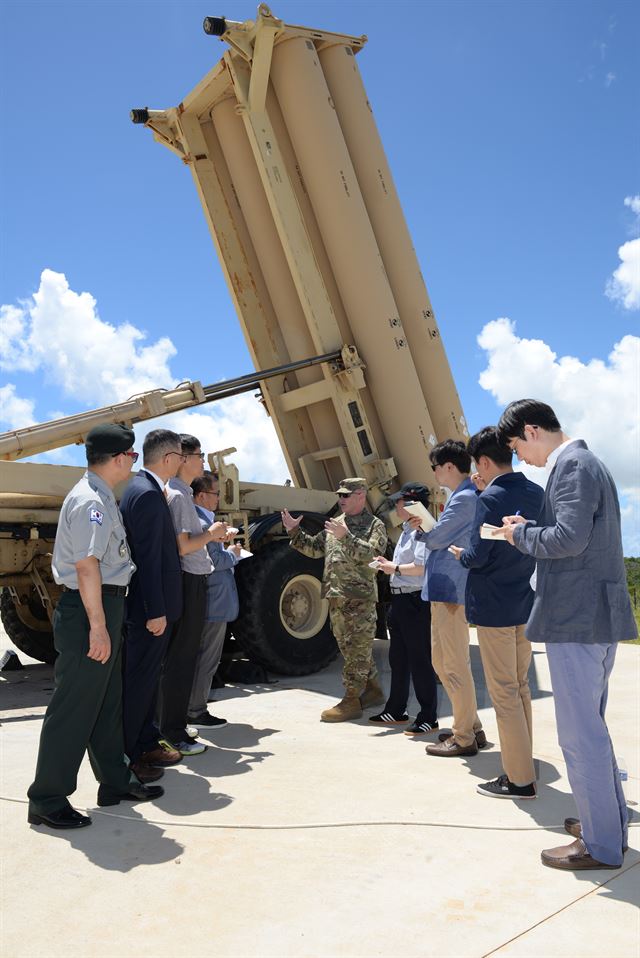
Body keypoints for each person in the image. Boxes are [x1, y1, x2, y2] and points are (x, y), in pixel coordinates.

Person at [497, 399, 636, 870]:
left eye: (517, 448)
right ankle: (607, 825)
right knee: (591, 730)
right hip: (592, 617)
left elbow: (568, 540)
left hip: (576, 618)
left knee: (580, 737)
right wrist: (531, 527)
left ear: (532, 431)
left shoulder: (572, 466)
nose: (521, 459)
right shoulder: (589, 464)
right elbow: (577, 535)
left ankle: (599, 845)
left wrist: (519, 536)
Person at [27, 424, 163, 829]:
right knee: (74, 709)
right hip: (92, 609)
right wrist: (98, 627)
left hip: (103, 605)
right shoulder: (92, 502)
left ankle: (115, 781)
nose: (134, 463)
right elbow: (87, 567)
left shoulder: (100, 495)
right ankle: (47, 798)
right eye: (133, 456)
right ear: (120, 458)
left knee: (106, 703)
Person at [449, 427, 543, 799]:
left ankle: (519, 780)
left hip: (493, 606)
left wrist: (461, 554)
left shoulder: (488, 499)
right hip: (524, 599)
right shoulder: (536, 492)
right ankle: (524, 763)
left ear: (484, 462)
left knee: (504, 692)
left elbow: (477, 556)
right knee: (519, 688)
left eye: (478, 465)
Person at [281, 478, 388, 722]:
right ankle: (372, 691)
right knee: (350, 649)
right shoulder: (335, 524)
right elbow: (313, 548)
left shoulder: (375, 525)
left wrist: (347, 537)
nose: (341, 500)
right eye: (339, 495)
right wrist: (294, 531)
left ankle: (351, 701)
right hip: (336, 597)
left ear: (361, 495)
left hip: (359, 599)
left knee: (357, 649)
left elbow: (374, 555)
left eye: (346, 495)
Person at [409, 440, 486, 758]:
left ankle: (464, 736)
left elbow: (438, 537)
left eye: (435, 467)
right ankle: (472, 726)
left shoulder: (464, 498)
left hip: (451, 591)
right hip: (446, 589)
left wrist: (422, 530)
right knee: (447, 663)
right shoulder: (463, 496)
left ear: (449, 467)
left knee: (451, 664)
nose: (435, 473)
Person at [120, 428, 186, 779]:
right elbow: (146, 559)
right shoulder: (145, 494)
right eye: (180, 455)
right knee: (140, 683)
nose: (182, 462)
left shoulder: (143, 490)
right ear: (167, 458)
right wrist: (156, 611)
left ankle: (145, 741)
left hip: (151, 608)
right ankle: (131, 756)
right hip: (150, 612)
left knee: (145, 682)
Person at [161, 434, 227, 752]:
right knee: (181, 659)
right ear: (183, 459)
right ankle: (172, 731)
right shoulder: (179, 496)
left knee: (184, 658)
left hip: (190, 580)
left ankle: (174, 726)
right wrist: (212, 534)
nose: (203, 461)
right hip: (190, 580)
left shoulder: (180, 493)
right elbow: (184, 545)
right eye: (200, 455)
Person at [371, 482, 439, 735]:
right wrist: (388, 564)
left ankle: (428, 716)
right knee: (398, 659)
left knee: (420, 661)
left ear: (412, 503)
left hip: (415, 601)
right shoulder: (407, 530)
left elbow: (422, 568)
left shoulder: (424, 529)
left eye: (400, 502)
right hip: (400, 600)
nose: (396, 506)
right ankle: (396, 709)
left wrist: (395, 569)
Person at [188, 471, 242, 729]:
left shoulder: (200, 519)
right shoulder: (202, 523)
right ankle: (196, 711)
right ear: (201, 495)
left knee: (201, 658)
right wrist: (233, 554)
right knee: (207, 659)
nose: (219, 498)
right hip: (214, 602)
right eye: (215, 493)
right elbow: (215, 562)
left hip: (209, 600)